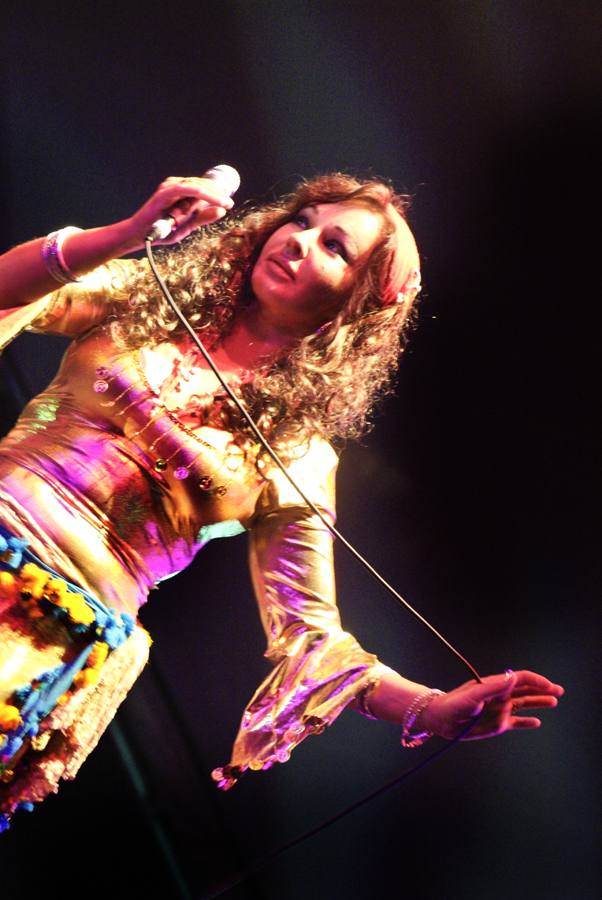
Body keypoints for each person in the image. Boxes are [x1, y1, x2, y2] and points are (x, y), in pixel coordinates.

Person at [0, 172, 562, 827]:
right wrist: (129, 234)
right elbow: (10, 291)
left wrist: (428, 708)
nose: (300, 241)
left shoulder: (298, 455)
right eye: (301, 220)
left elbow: (312, 634)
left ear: (359, 303)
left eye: (335, 247)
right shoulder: (150, 301)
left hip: (44, 640)